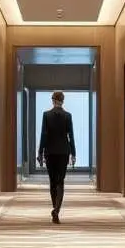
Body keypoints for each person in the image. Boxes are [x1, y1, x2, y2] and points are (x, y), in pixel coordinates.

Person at [37, 91, 76, 224]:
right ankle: (57, 210)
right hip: (63, 152)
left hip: (50, 152)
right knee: (60, 181)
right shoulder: (68, 116)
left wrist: (40, 152)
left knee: (52, 181)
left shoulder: (46, 115)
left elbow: (44, 134)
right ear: (63, 101)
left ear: (53, 100)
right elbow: (71, 136)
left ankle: (55, 208)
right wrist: (73, 153)